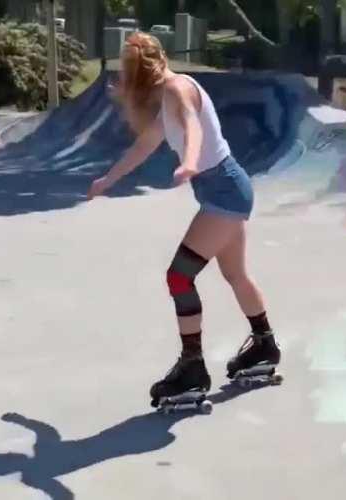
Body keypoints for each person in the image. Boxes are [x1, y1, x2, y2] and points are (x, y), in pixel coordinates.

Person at [88, 33, 281, 406]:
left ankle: (192, 366)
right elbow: (144, 144)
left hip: (223, 191)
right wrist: (107, 180)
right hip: (226, 189)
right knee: (235, 275)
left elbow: (192, 126)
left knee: (179, 276)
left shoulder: (177, 89)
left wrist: (190, 162)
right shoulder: (166, 99)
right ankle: (264, 345)